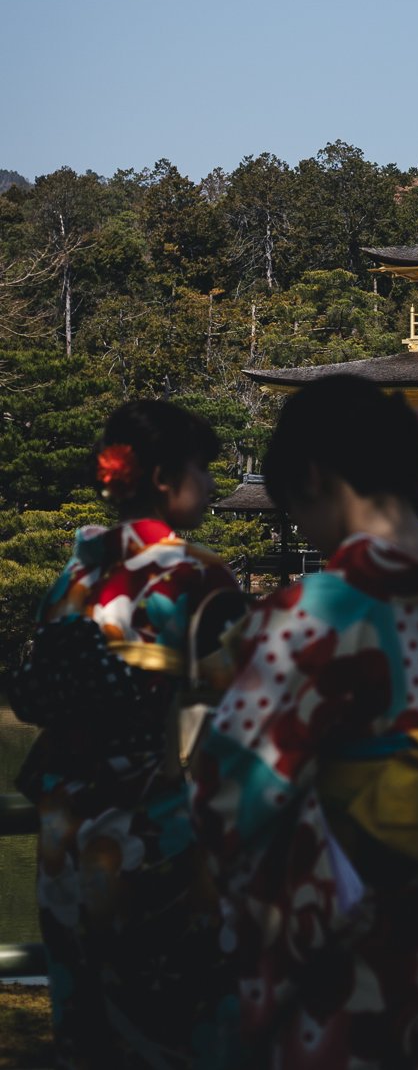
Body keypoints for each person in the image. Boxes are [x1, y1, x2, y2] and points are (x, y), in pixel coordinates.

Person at [193, 376, 418, 1070]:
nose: (301, 527)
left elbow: (228, 790)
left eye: (297, 506)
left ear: (318, 479)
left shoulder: (316, 613)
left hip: (356, 935)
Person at [10, 399, 246, 1070]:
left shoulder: (75, 572)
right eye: (202, 468)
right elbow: (238, 716)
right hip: (155, 825)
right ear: (167, 478)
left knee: (88, 1029)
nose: (210, 482)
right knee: (178, 1024)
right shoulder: (198, 577)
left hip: (65, 828)